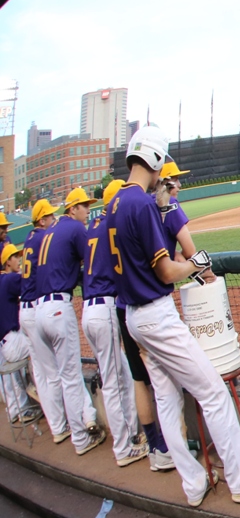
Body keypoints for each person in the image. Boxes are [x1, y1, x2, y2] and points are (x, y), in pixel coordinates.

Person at [108, 125, 240, 507]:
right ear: (154, 159)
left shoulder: (114, 203)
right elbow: (168, 272)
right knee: (214, 393)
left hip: (133, 316)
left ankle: (193, 484)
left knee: (168, 401)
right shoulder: (139, 203)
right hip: (156, 314)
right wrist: (195, 263)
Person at [27, 190, 106, 455]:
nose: (86, 211)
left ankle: (68, 425)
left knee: (55, 375)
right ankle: (82, 439)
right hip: (58, 308)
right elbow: (92, 258)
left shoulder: (50, 232)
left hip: (38, 311)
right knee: (71, 377)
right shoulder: (74, 228)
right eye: (83, 207)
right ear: (72, 209)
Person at [78, 184, 148, 466]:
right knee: (113, 380)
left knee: (118, 371)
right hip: (104, 307)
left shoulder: (94, 227)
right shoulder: (112, 226)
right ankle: (123, 448)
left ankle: (134, 436)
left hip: (88, 310)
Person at [0, 244, 40, 426]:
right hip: (13, 341)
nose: (19, 260)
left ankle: (26, 401)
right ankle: (38, 388)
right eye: (15, 257)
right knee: (42, 347)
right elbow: (29, 283)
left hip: (6, 344)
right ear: (7, 262)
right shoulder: (9, 280)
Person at [155, 161, 194, 261]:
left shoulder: (146, 203)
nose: (179, 185)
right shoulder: (170, 203)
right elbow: (190, 252)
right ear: (164, 182)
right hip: (164, 272)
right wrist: (175, 255)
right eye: (175, 180)